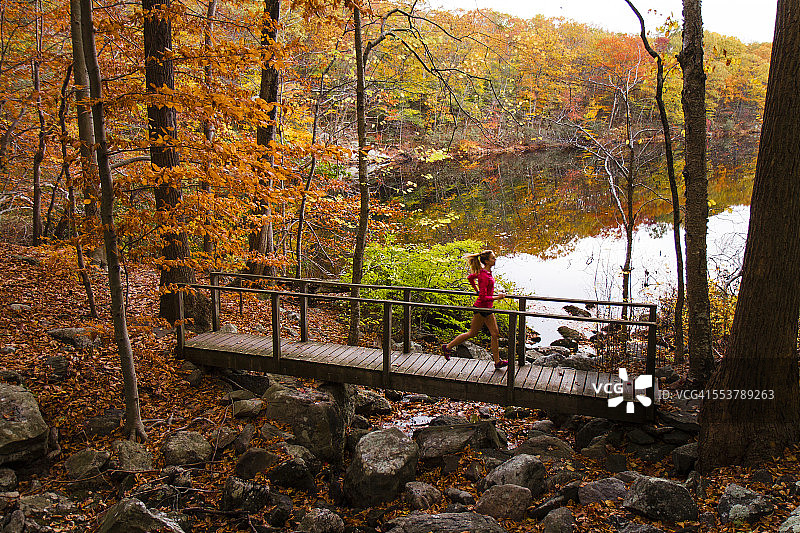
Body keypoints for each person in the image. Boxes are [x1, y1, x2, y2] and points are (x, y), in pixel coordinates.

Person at [442, 249, 508, 369]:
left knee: (495, 334)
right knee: (473, 333)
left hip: (487, 308)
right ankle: (447, 347)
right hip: (481, 308)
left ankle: (497, 361)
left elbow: (470, 278)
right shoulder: (483, 276)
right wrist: (497, 297)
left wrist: (476, 289)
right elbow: (483, 297)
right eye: (493, 258)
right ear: (487, 261)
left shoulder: (485, 272)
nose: (495, 259)